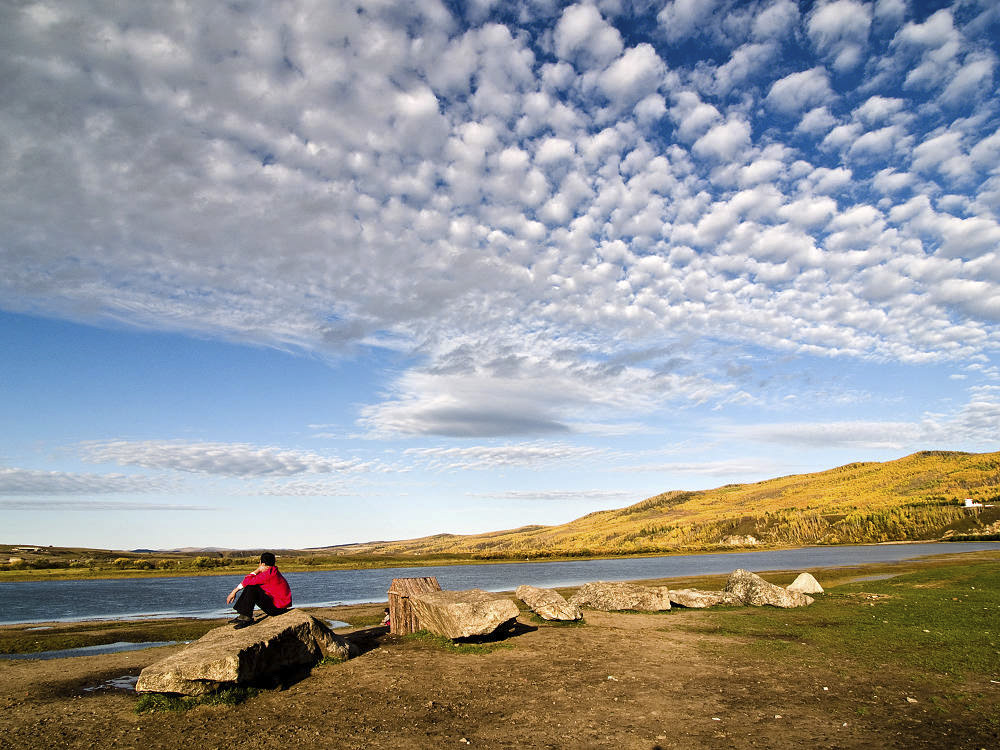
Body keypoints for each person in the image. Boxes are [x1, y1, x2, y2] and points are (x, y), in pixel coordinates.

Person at [226, 552, 292, 629]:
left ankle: (247, 618)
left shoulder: (268, 575)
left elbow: (247, 580)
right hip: (280, 607)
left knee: (252, 588)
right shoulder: (272, 571)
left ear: (262, 564)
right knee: (251, 587)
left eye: (259, 562)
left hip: (277, 609)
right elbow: (248, 581)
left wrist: (233, 592)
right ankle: (243, 616)